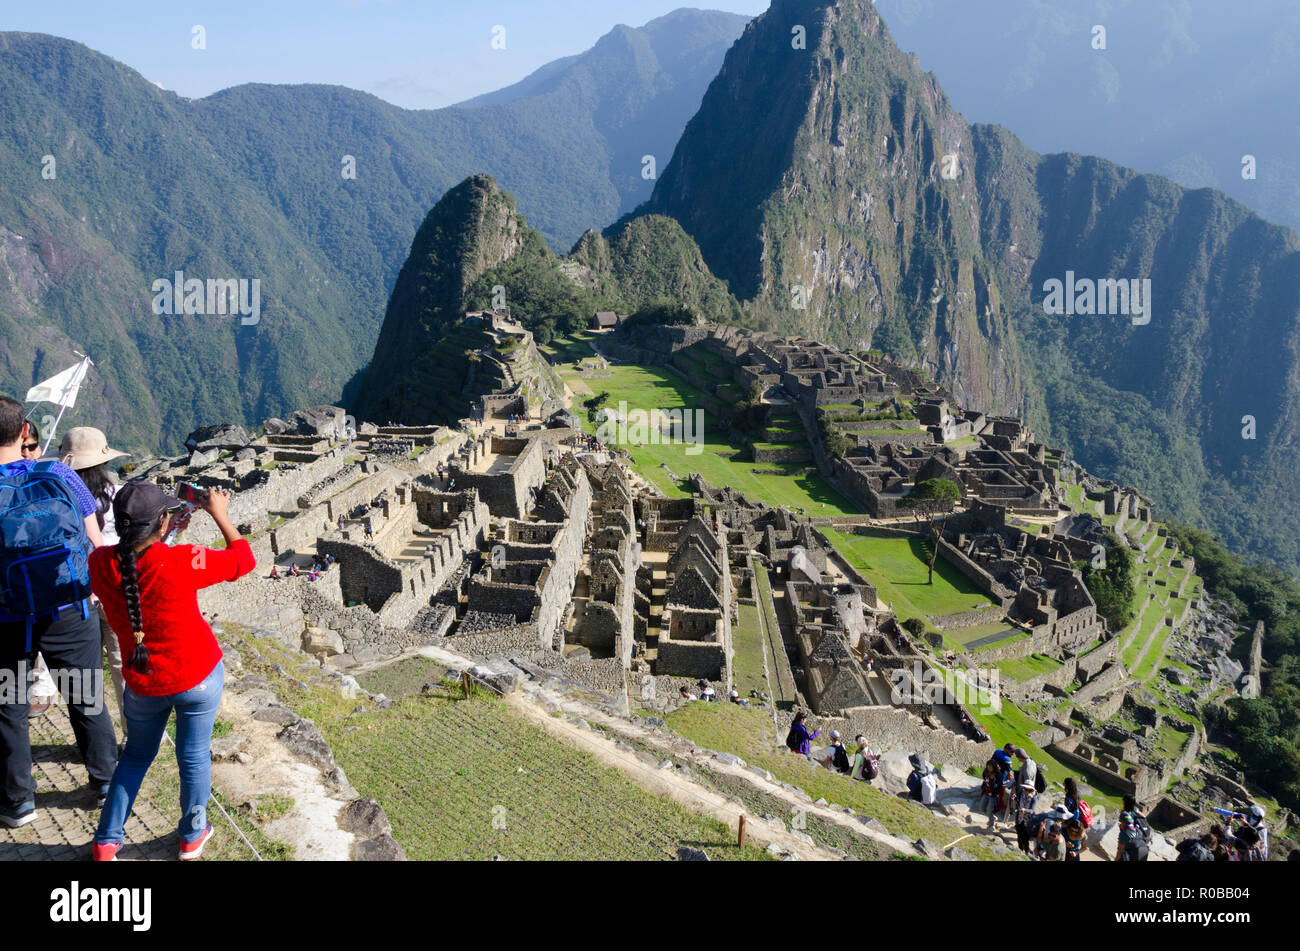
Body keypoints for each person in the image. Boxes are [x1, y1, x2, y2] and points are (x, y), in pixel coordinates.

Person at [89, 483, 255, 861]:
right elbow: (243, 560)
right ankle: (192, 835)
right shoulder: (180, 561)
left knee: (134, 757)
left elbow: (138, 566)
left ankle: (106, 840)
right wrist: (219, 513)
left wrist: (168, 533)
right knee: (193, 757)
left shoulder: (98, 563)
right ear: (160, 523)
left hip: (143, 682)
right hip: (195, 674)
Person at [0, 399, 115, 828]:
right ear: (26, 431)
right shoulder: (60, 474)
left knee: (9, 703)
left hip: (7, 619)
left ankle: (18, 803)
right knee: (85, 694)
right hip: (69, 606)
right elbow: (94, 541)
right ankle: (104, 780)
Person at [60, 427, 131, 741]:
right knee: (122, 664)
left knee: (84, 672)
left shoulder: (61, 498)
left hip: (77, 592)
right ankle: (134, 735)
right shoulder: (118, 497)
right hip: (114, 586)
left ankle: (94, 745)